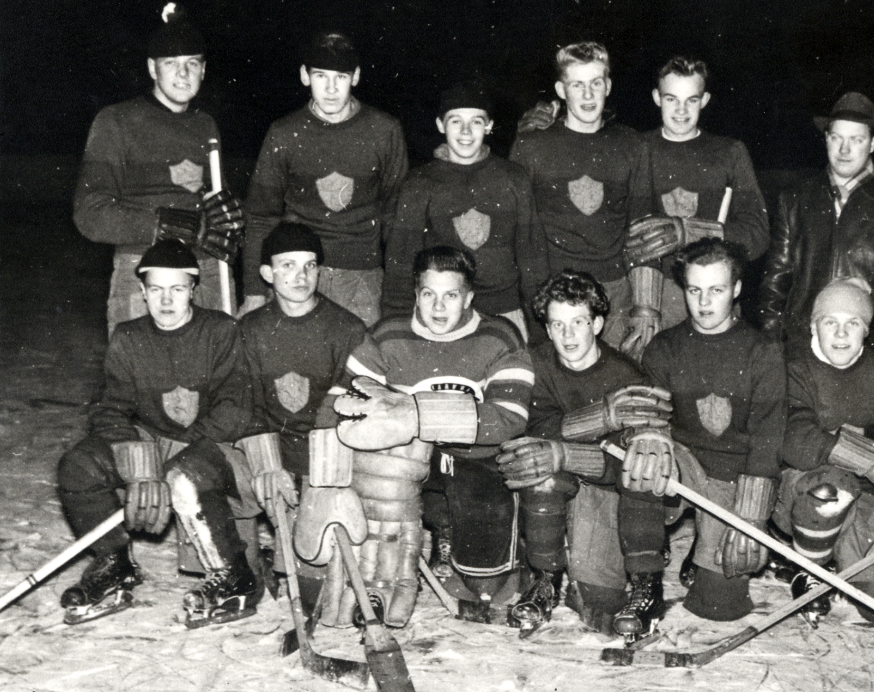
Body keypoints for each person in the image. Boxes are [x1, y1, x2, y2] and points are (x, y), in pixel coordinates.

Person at [56, 240, 260, 628]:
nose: (166, 300)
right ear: (144, 292)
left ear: (193, 291)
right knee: (79, 465)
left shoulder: (220, 330)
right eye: (156, 289)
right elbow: (111, 409)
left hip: (213, 448)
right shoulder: (129, 337)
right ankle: (114, 562)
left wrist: (172, 457)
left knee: (183, 475)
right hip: (154, 444)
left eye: (177, 289)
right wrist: (138, 462)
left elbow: (235, 407)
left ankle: (234, 575)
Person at [331, 246, 534, 624]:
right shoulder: (388, 335)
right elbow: (341, 401)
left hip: (472, 459)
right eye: (429, 294)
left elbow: (510, 417)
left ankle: (455, 536)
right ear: (416, 294)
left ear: (469, 297)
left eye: (451, 295)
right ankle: (390, 570)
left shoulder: (500, 336)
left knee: (484, 588)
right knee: (385, 464)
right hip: (406, 464)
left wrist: (416, 412)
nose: (439, 308)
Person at [496, 270, 674, 640]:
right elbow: (525, 430)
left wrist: (566, 453)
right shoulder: (536, 363)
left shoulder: (626, 375)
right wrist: (595, 420)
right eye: (557, 324)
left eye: (578, 322)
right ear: (546, 329)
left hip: (611, 491)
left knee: (642, 470)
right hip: (566, 481)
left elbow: (623, 462)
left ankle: (646, 585)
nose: (568, 335)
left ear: (597, 323)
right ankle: (545, 579)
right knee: (537, 469)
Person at [73, 3, 245, 337]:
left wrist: (233, 217)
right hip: (146, 272)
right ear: (153, 69)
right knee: (143, 382)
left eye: (191, 64)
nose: (183, 75)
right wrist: (162, 226)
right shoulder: (117, 121)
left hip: (206, 271)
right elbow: (89, 213)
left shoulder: (205, 124)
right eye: (171, 64)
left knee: (214, 377)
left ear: (203, 70)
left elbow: (213, 203)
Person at [642, 238, 786, 621]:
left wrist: (751, 516)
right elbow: (651, 419)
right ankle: (645, 574)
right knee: (640, 475)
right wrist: (653, 448)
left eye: (717, 290)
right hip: (682, 463)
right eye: (695, 290)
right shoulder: (664, 346)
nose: (705, 303)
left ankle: (708, 549)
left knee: (719, 606)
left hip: (733, 476)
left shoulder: (762, 351)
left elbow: (768, 437)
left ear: (736, 289)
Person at [772, 277, 874, 625]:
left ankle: (842, 553)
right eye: (831, 322)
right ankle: (806, 567)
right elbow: (794, 437)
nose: (841, 334)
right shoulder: (794, 370)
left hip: (863, 502)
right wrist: (868, 459)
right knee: (830, 485)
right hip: (801, 494)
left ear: (866, 330)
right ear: (814, 326)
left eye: (852, 323)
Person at [237, 222, 367, 616]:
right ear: (266, 273)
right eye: (288, 265)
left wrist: (323, 469)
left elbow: (353, 401)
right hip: (273, 447)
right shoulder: (248, 330)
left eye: (309, 266)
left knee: (315, 581)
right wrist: (266, 463)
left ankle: (297, 560)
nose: (300, 276)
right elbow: (241, 403)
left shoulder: (346, 328)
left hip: (325, 453)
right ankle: (244, 567)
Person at [760, 92, 874, 382]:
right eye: (836, 138)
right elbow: (774, 285)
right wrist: (774, 353)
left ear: (873, 143)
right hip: (802, 356)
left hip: (873, 355)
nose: (844, 149)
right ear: (826, 138)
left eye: (856, 139)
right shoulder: (794, 199)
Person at [242, 31, 408, 327]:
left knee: (362, 367)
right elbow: (260, 217)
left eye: (340, 77)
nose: (331, 88)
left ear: (355, 77)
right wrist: (255, 291)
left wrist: (397, 296)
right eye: (321, 76)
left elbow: (397, 219)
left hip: (361, 277)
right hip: (298, 272)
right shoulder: (284, 132)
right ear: (305, 76)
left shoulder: (384, 131)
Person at [622, 57, 769, 359]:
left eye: (691, 100)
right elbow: (635, 230)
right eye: (671, 99)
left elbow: (758, 235)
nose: (680, 110)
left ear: (705, 100)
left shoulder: (730, 152)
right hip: (657, 296)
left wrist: (689, 232)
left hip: (714, 292)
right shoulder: (637, 149)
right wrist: (645, 305)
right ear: (656, 98)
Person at [510, 42, 652, 348]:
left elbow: (643, 224)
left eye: (595, 83)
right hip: (555, 287)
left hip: (615, 290)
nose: (588, 95)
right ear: (561, 90)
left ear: (608, 86)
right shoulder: (532, 146)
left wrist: (644, 302)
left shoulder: (631, 144)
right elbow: (521, 232)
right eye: (577, 84)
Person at [382, 81, 548, 341]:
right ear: (440, 125)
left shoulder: (513, 178)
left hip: (506, 312)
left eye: (477, 122)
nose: (466, 131)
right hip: (446, 317)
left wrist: (540, 331)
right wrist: (396, 330)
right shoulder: (420, 182)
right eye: (456, 121)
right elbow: (402, 263)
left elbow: (532, 258)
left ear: (490, 125)